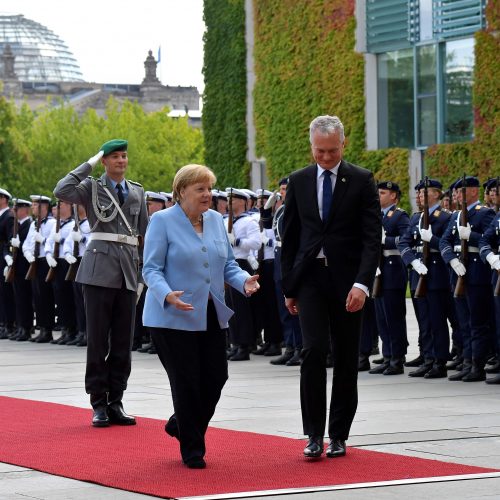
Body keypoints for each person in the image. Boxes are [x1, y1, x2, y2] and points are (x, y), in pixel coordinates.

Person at [142, 164, 260, 469]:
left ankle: (180, 424)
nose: (208, 195)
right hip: (171, 316)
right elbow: (150, 269)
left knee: (216, 377)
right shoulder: (162, 221)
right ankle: (193, 448)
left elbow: (228, 265)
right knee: (187, 382)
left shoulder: (216, 222)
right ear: (182, 191)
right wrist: (167, 294)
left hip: (210, 313)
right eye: (200, 189)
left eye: (209, 189)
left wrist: (244, 280)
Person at [281, 115, 381, 459]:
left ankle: (338, 434)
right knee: (312, 351)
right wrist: (289, 287)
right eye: (320, 151)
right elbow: (289, 237)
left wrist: (362, 284)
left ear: (344, 144)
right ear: (312, 147)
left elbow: (372, 239)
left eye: (332, 151)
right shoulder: (299, 180)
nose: (326, 157)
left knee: (345, 356)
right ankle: (313, 434)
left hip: (348, 281)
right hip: (310, 278)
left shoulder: (362, 180)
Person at [54, 139, 148, 427]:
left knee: (123, 340)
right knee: (97, 339)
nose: (121, 161)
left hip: (128, 272)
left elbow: (144, 232)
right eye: (115, 157)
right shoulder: (91, 187)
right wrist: (89, 162)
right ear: (105, 161)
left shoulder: (137, 191)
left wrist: (148, 271)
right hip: (97, 271)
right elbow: (61, 190)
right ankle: (98, 402)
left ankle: (116, 400)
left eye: (124, 156)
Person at [369, 181, 409, 376]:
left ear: (393, 196)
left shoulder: (400, 215)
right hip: (378, 271)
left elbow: (406, 239)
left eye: (383, 192)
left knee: (394, 317)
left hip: (393, 270)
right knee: (381, 317)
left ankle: (397, 358)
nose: (379, 195)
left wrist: (386, 240)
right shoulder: (376, 215)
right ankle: (387, 356)